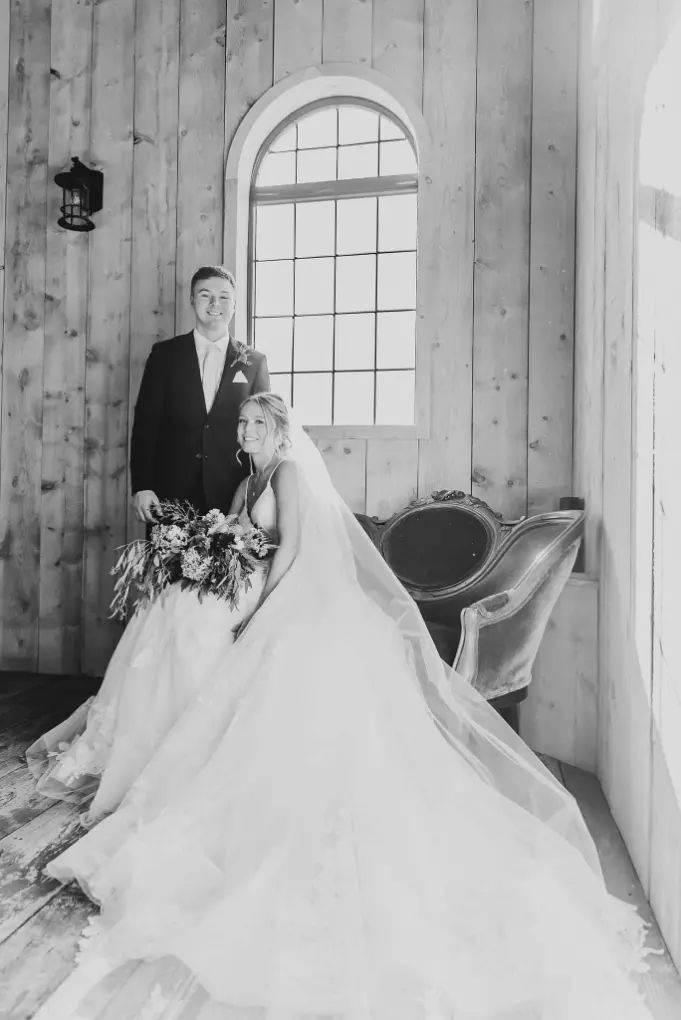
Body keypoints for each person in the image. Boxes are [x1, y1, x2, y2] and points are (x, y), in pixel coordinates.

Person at [28, 395, 654, 1020]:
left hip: (294, 595)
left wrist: (261, 612)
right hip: (254, 584)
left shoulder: (292, 476)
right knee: (178, 617)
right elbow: (245, 540)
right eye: (242, 424)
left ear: (278, 431)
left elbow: (293, 548)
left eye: (256, 424)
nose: (245, 431)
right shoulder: (249, 480)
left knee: (273, 676)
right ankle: (145, 732)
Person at [130, 265, 270, 523]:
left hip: (233, 496)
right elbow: (145, 426)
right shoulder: (164, 356)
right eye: (205, 294)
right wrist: (142, 485)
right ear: (192, 300)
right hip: (170, 494)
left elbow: (265, 430)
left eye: (224, 296)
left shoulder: (255, 362)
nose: (215, 302)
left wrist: (264, 487)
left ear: (235, 305)